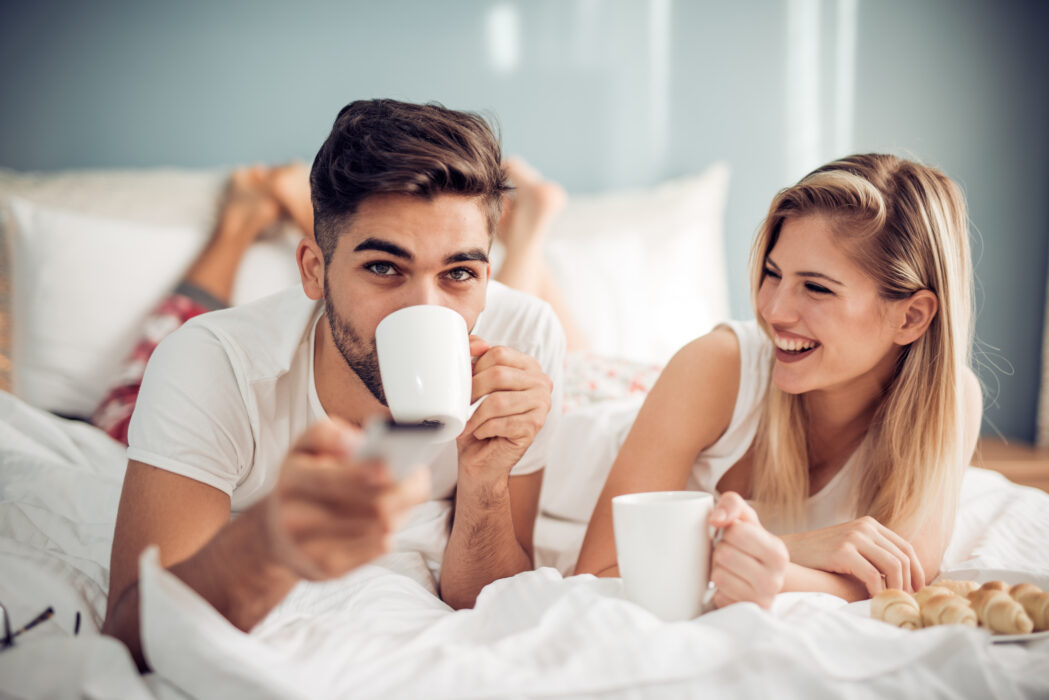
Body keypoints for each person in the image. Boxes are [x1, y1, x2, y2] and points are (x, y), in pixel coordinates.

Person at [101, 99, 565, 670]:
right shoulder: (215, 363)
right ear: (313, 270)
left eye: (459, 274)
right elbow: (129, 637)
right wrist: (269, 543)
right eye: (383, 267)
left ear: (487, 275)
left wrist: (485, 481)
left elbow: (489, 605)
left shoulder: (525, 339)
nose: (425, 306)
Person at [574, 153, 981, 608]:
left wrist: (778, 568)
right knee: (573, 352)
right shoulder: (713, 366)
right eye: (773, 273)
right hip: (587, 417)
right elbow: (597, 574)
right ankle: (531, 231)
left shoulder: (950, 401)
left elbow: (900, 582)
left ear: (910, 316)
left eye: (817, 287)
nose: (773, 311)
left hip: (640, 391)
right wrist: (794, 548)